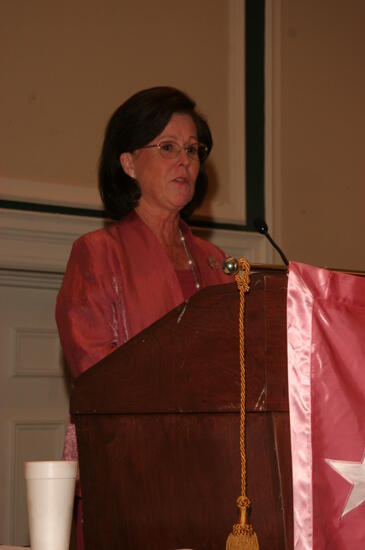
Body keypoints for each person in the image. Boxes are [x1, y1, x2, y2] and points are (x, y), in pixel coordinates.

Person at [56, 86, 233, 548]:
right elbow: (98, 375)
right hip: (131, 470)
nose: (186, 161)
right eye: (168, 147)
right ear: (129, 162)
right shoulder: (97, 254)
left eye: (193, 150)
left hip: (219, 473)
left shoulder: (219, 262)